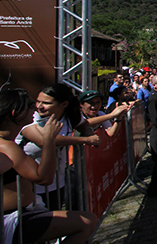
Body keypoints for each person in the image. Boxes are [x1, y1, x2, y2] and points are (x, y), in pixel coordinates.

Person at [0, 88, 98, 244]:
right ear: (15, 113)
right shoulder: (6, 146)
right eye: (31, 105)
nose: (36, 108)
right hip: (11, 220)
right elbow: (44, 177)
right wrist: (49, 141)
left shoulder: (8, 143)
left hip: (27, 210)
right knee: (86, 222)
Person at [17, 83, 100, 211]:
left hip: (55, 183)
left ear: (64, 104)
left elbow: (84, 124)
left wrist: (90, 133)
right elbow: (45, 140)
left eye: (46, 103)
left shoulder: (69, 117)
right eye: (37, 101)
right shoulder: (30, 117)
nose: (39, 106)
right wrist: (85, 139)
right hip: (29, 184)